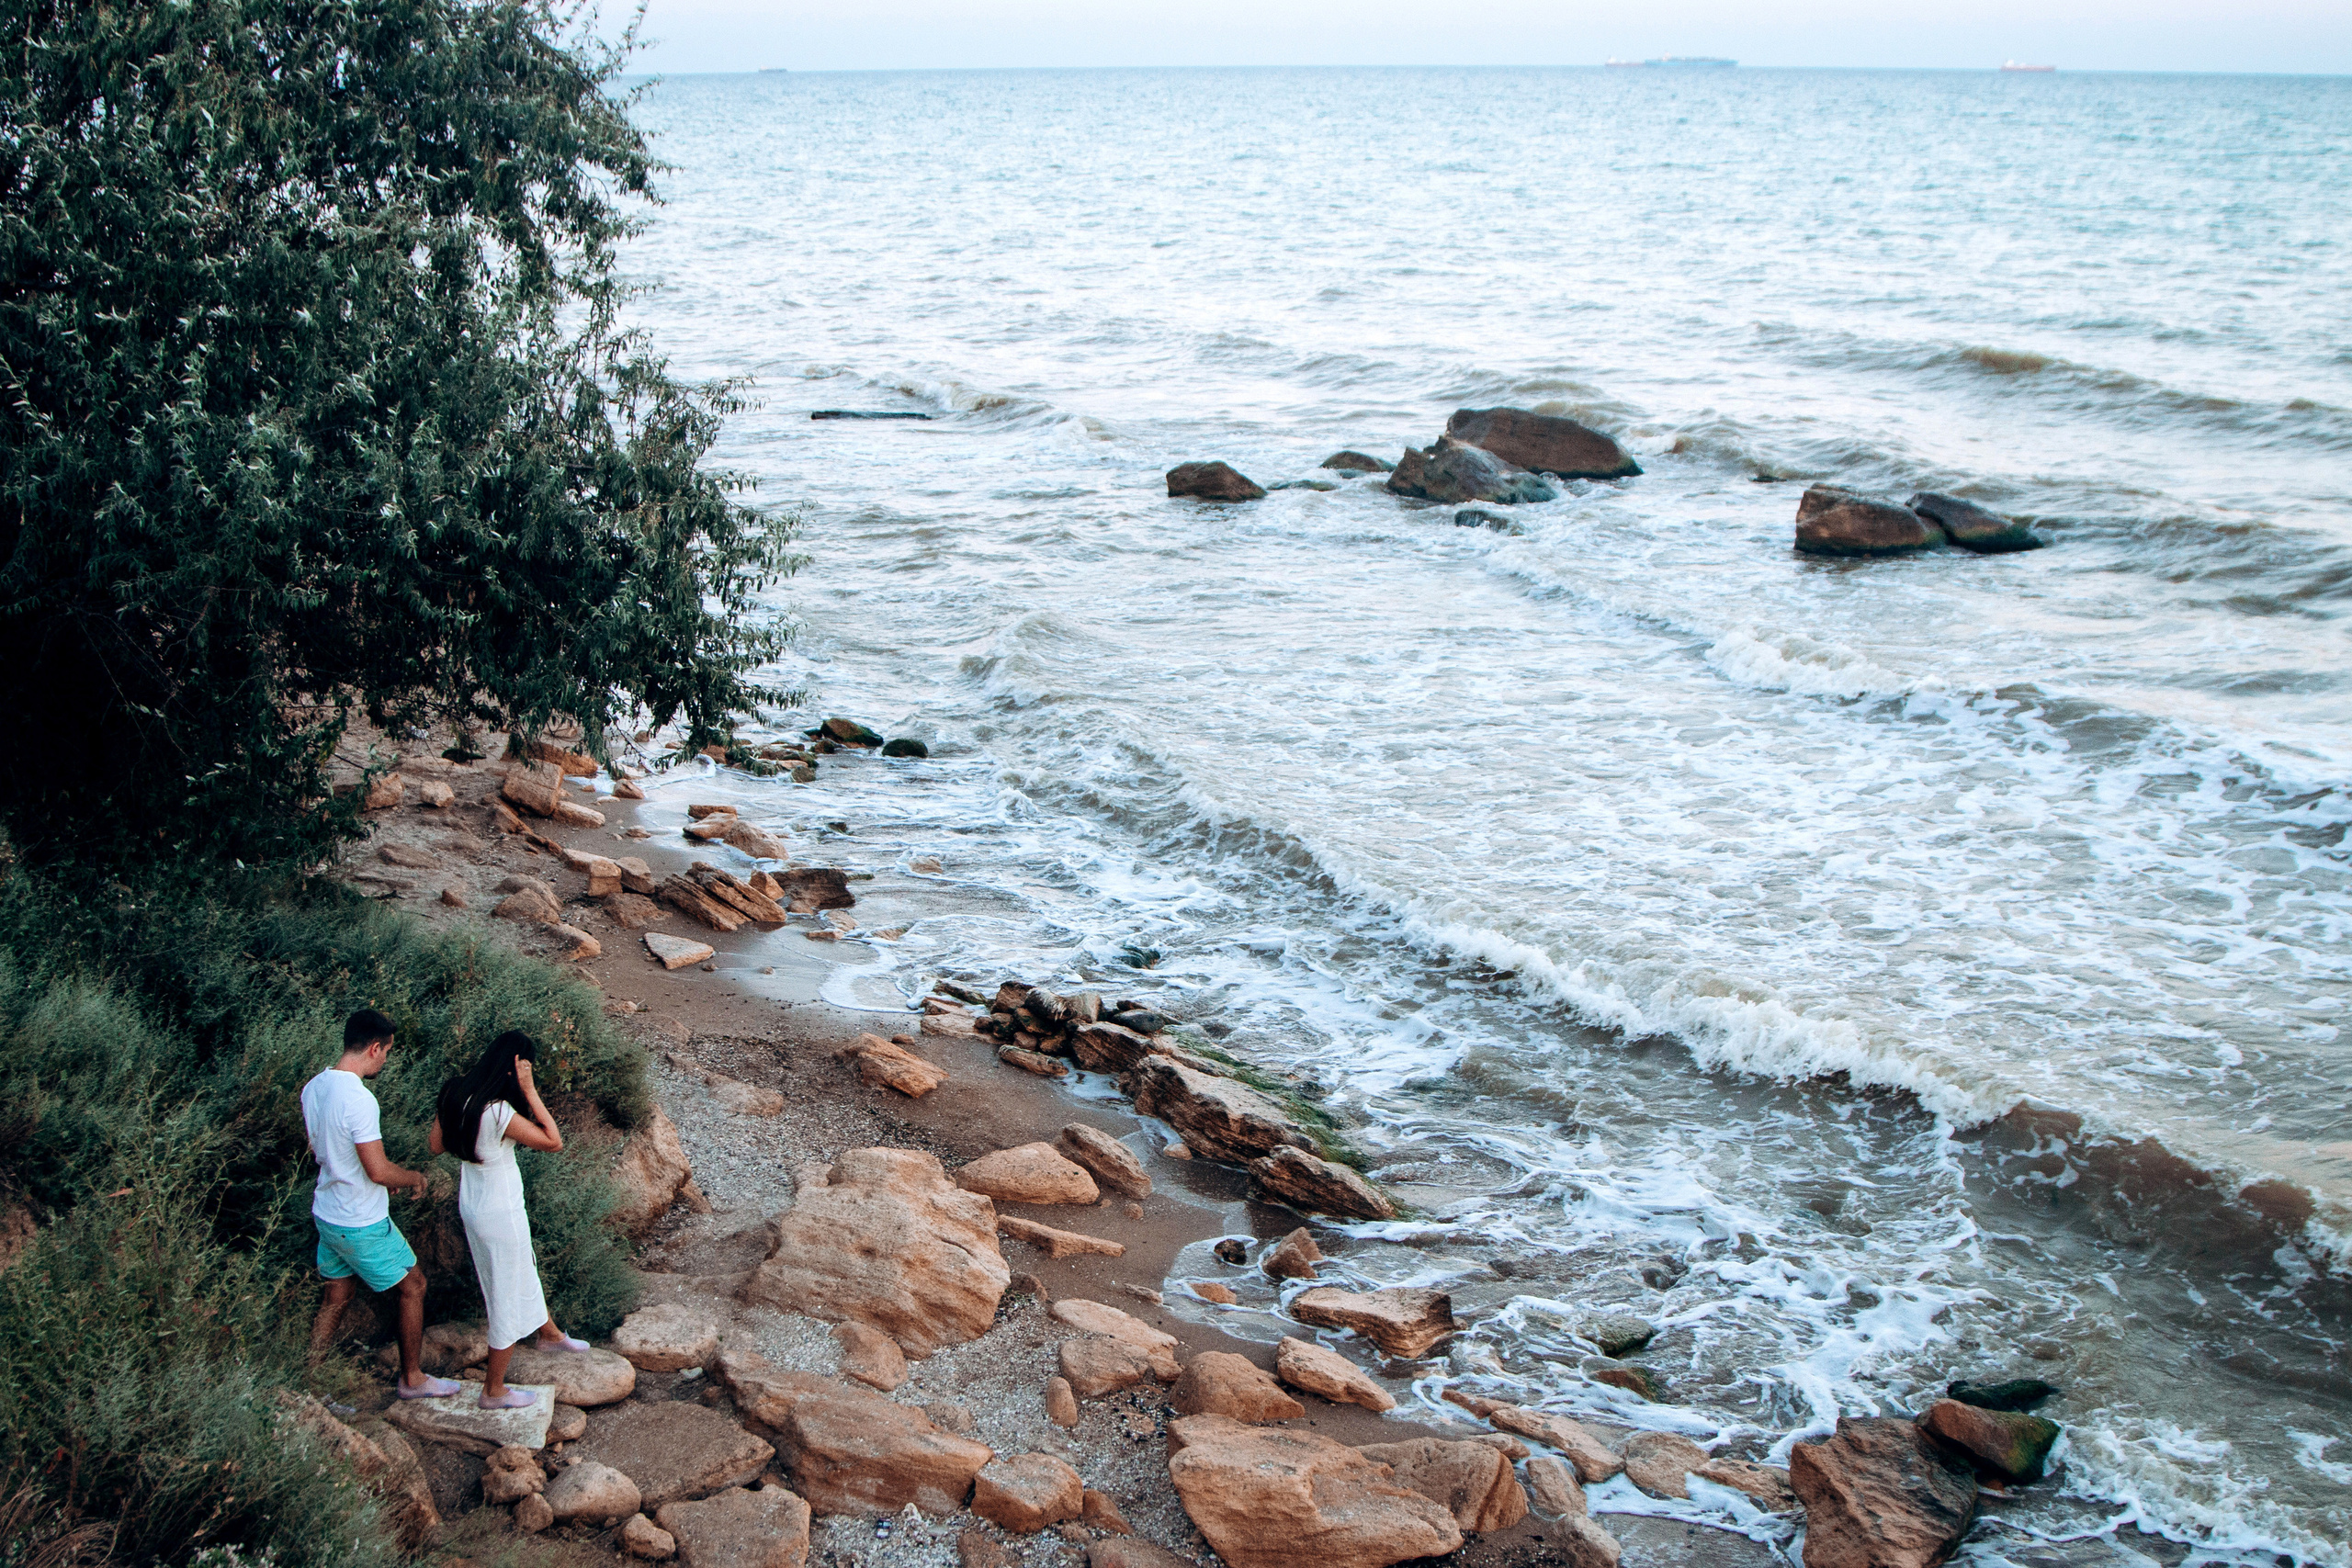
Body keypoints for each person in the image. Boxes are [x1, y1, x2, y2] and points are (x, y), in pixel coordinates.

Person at [303, 1008, 461, 1399]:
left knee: (336, 1296)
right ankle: (413, 1379)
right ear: (375, 1048)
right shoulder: (359, 1099)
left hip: (327, 1212)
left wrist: (374, 1177)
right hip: (360, 1220)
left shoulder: (314, 1088)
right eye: (387, 1051)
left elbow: (320, 1149)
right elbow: (377, 1169)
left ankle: (308, 1377)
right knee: (414, 1285)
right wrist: (411, 1178)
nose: (386, 1059)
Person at [430, 1030, 587, 1409]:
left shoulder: (455, 1092)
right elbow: (553, 1141)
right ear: (517, 1067)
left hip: (473, 1203)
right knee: (504, 1291)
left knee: (521, 1268)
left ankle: (548, 1334)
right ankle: (493, 1390)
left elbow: (435, 1145)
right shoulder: (498, 1111)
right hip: (500, 1210)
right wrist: (531, 1092)